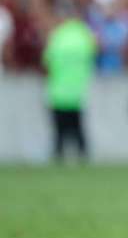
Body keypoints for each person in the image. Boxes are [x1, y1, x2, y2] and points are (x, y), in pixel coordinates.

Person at [42, 16, 97, 161]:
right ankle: (83, 158)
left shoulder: (57, 36)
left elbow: (46, 61)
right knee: (78, 129)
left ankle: (58, 157)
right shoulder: (84, 35)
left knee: (59, 131)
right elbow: (94, 54)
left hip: (58, 92)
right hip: (78, 92)